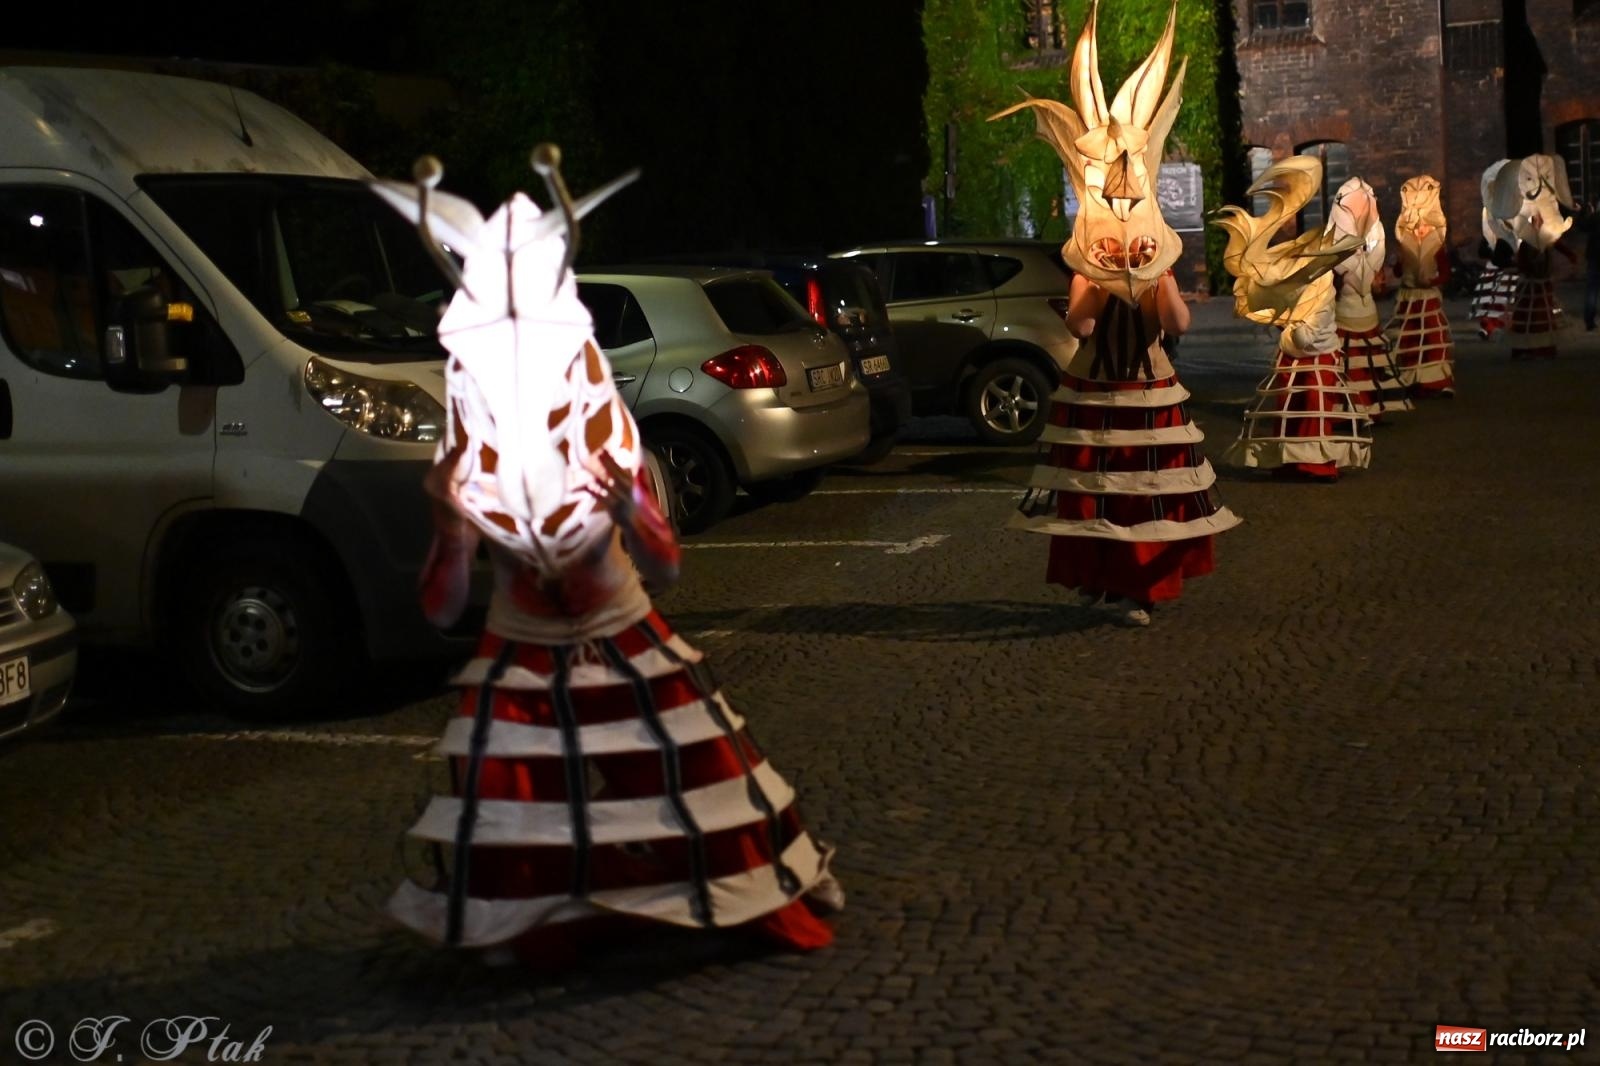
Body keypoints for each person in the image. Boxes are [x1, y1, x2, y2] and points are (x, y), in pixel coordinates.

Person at [377, 152, 842, 969]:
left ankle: (726, 897)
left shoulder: (603, 432)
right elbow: (442, 609)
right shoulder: (469, 452)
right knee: (506, 809)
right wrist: (450, 526)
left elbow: (665, 567)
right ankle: (530, 924)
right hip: (521, 651)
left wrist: (628, 504)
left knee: (702, 775)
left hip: (623, 634)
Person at [991, 1, 1241, 628]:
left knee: (1142, 490)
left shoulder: (1156, 266)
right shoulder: (1086, 266)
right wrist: (1100, 283)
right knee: (1096, 488)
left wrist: (1157, 279)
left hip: (1145, 388)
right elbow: (1080, 325)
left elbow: (1178, 325)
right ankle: (1099, 579)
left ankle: (1137, 587)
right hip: (1098, 387)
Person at [1219, 156, 1371, 481]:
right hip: (1293, 358)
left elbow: (1307, 334)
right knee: (1289, 404)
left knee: (1313, 407)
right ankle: (1289, 459)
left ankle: (1313, 462)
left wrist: (1289, 329)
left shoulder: (1321, 290)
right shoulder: (1303, 286)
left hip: (1316, 356)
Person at [1327, 176, 1412, 422]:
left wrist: (1375, 280)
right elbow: (1333, 281)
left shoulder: (1373, 239)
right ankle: (1353, 408)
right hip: (1345, 314)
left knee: (1365, 365)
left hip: (1366, 313)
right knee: (1350, 365)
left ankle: (1368, 406)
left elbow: (1376, 280)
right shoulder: (1336, 243)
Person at [1388, 175, 1456, 394]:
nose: (1420, 228)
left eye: (1424, 226)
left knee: (1432, 335)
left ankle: (1436, 380)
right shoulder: (1405, 243)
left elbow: (1445, 272)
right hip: (1409, 297)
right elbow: (1399, 271)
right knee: (1410, 337)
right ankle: (1411, 377)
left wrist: (1432, 281)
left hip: (1427, 298)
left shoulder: (1436, 244)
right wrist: (1399, 261)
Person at [1581, 196, 1600, 332]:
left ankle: (1589, 321)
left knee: (1592, 290)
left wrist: (1584, 212)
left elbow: (1582, 226)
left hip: (1594, 257)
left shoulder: (1595, 217)